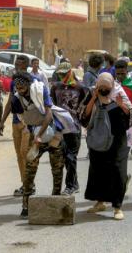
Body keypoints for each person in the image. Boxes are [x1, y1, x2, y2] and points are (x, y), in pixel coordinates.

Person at [12, 72, 65, 218]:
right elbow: (21, 117)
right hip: (35, 134)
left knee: (57, 168)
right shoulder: (16, 99)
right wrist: (32, 134)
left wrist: (39, 135)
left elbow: (48, 115)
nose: (19, 89)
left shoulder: (41, 91)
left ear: (28, 85)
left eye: (22, 86)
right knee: (29, 170)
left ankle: (55, 200)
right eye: (17, 87)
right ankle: (26, 205)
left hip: (52, 133)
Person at [83, 73, 132, 220]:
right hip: (98, 138)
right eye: (101, 86)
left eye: (107, 86)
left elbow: (131, 115)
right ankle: (100, 202)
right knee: (97, 169)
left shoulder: (118, 94)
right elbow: (84, 114)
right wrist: (93, 98)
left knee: (118, 171)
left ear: (112, 85)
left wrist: (120, 105)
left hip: (117, 140)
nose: (104, 89)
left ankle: (117, 207)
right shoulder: (93, 93)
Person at [0, 55, 34, 196]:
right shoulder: (14, 82)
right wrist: (2, 121)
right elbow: (10, 101)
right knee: (19, 155)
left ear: (26, 65)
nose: (17, 66)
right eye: (16, 64)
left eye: (20, 64)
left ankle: (30, 184)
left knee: (25, 153)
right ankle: (25, 184)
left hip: (28, 122)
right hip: (15, 122)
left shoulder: (32, 81)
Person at [50, 62, 87, 195]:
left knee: (71, 156)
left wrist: (85, 122)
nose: (62, 76)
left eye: (64, 73)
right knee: (66, 157)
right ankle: (74, 183)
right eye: (59, 74)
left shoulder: (80, 87)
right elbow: (53, 105)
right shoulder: (55, 87)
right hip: (60, 127)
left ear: (70, 72)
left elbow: (86, 105)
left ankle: (70, 185)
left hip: (75, 127)